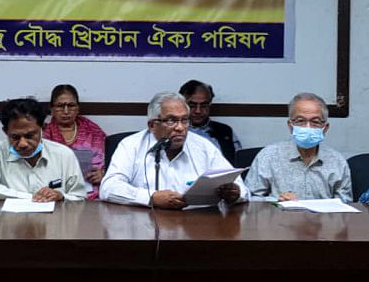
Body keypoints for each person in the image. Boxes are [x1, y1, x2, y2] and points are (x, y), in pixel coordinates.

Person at [100, 92, 248, 209]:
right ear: (152, 125)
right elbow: (109, 188)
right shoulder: (131, 146)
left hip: (196, 226)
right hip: (145, 225)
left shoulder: (203, 147)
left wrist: (235, 193)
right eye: (171, 120)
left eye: (185, 120)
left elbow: (241, 188)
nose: (180, 128)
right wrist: (151, 197)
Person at [0, 97, 87, 201]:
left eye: (29, 136)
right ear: (5, 132)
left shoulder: (64, 154)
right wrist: (32, 197)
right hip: (10, 217)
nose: (22, 144)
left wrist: (61, 197)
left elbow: (80, 197)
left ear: (43, 129)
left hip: (55, 216)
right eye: (15, 137)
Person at [245, 92, 353, 202]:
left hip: (323, 214)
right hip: (280, 213)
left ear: (325, 128)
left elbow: (346, 202)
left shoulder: (337, 161)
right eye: (300, 121)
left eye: (315, 122)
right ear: (290, 125)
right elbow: (249, 198)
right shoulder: (268, 156)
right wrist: (276, 201)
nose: (307, 127)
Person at [42, 84, 106, 200]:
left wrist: (103, 174)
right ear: (52, 109)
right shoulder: (43, 135)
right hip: (54, 194)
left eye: (71, 106)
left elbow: (113, 165)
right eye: (60, 106)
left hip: (93, 194)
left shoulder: (94, 132)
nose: (66, 111)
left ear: (78, 108)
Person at [179, 80, 241, 164]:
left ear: (210, 104)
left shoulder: (225, 132)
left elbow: (238, 163)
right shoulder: (175, 131)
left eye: (204, 105)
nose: (198, 111)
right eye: (192, 106)